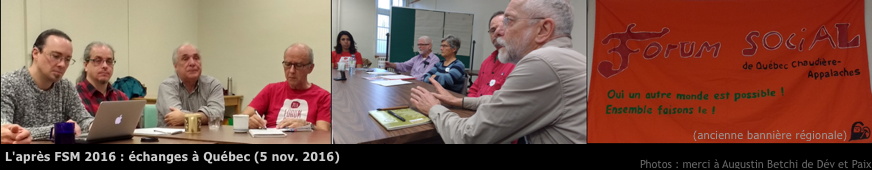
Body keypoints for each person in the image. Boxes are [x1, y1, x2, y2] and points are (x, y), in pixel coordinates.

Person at [410, 0, 586, 144]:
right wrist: (459, 100)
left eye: (509, 21)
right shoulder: (569, 59)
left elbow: (469, 137)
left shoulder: (541, 63)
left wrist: (434, 109)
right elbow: (499, 100)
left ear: (543, 29)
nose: (501, 33)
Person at [1, 29, 93, 141]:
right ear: (35, 53)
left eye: (67, 59)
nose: (62, 64)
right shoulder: (8, 84)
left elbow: (83, 119)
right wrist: (53, 130)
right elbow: (5, 130)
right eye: (55, 56)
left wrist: (93, 125)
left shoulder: (66, 87)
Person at [243, 43, 332, 131]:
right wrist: (249, 122)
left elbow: (324, 132)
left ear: (310, 68)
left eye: (298, 65)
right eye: (288, 64)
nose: (292, 71)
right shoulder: (271, 90)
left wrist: (307, 126)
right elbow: (243, 117)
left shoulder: (323, 96)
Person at [155, 43, 225, 127]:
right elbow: (174, 118)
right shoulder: (167, 86)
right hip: (173, 138)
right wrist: (205, 116)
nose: (192, 63)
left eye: (196, 58)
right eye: (185, 59)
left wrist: (185, 117)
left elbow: (218, 115)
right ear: (175, 66)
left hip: (205, 138)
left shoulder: (213, 84)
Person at [468, 11, 516, 97]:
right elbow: (473, 90)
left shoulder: (519, 62)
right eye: (492, 30)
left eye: (503, 27)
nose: (496, 33)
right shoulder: (486, 62)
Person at [76, 42, 129, 116]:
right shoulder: (74, 96)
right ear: (86, 65)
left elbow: (134, 127)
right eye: (98, 60)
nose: (105, 66)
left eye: (109, 61)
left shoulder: (121, 97)